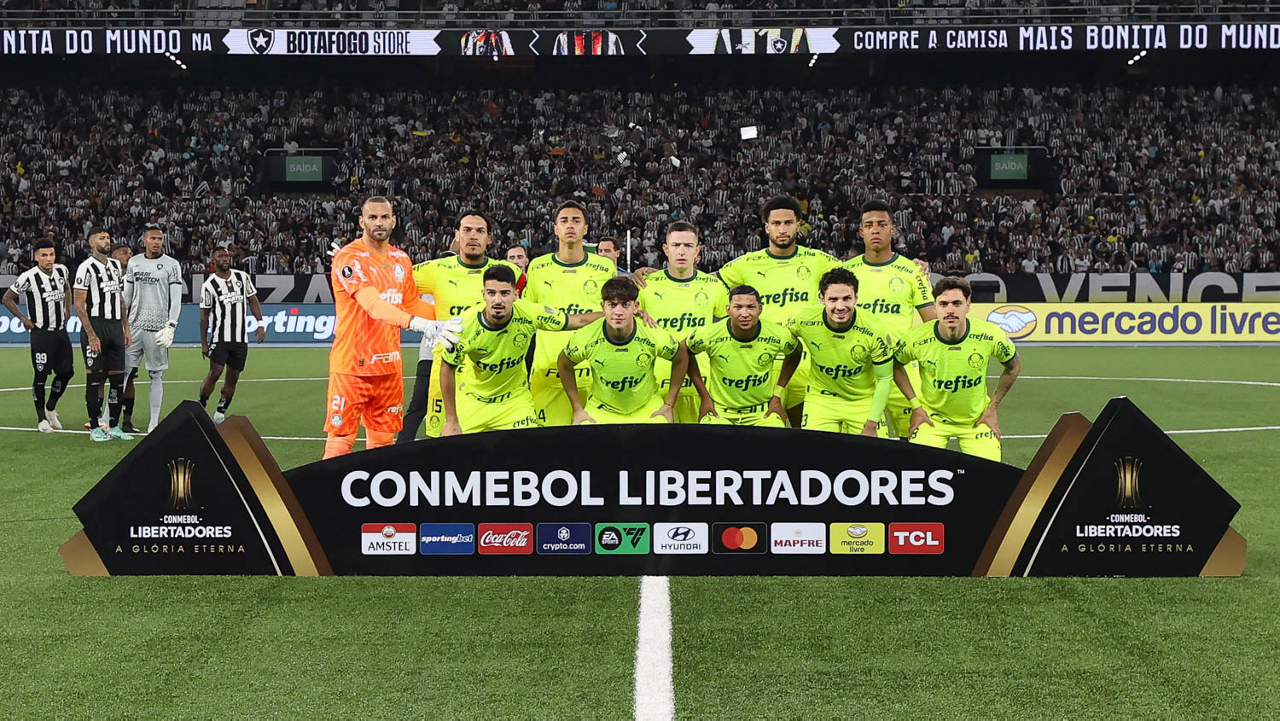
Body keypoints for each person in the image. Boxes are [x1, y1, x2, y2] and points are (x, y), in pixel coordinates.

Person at [323, 196, 460, 459]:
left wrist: (448, 319)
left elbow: (411, 303)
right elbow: (373, 305)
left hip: (389, 369)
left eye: (384, 217)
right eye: (372, 217)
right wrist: (421, 325)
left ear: (394, 221)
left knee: (383, 446)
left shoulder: (401, 259)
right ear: (361, 222)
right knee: (340, 444)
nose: (379, 222)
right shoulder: (349, 257)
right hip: (352, 367)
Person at [398, 212, 521, 443]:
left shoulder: (508, 271)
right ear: (457, 235)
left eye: (480, 231)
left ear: (489, 238)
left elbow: (527, 301)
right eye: (467, 230)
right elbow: (394, 282)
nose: (473, 236)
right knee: (443, 445)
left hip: (491, 378)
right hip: (447, 373)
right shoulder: (435, 269)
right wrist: (428, 317)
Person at [438, 265, 603, 436]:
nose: (497, 300)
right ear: (483, 294)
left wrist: (612, 315)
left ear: (515, 295)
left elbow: (578, 321)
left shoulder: (529, 313)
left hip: (514, 402)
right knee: (453, 449)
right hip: (474, 401)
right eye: (491, 293)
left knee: (527, 450)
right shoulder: (463, 327)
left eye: (505, 293)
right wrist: (451, 420)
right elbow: (447, 368)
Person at [894, 276, 1021, 461]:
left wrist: (992, 407)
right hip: (931, 420)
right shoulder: (915, 338)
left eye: (957, 303)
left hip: (976, 420)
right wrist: (916, 406)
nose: (950, 310)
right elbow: (895, 365)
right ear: (935, 307)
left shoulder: (990, 335)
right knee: (919, 472)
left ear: (968, 305)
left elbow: (1013, 366)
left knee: (990, 474)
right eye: (943, 304)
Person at [843, 199, 937, 439]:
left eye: (882, 224)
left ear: (893, 229)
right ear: (861, 232)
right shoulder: (846, 272)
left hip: (901, 369)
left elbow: (932, 324)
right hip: (859, 369)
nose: (875, 230)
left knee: (913, 439)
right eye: (869, 225)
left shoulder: (913, 271)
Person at [523, 200, 618, 426]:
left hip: (595, 376)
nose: (570, 225)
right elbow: (527, 317)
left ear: (585, 229)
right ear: (555, 229)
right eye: (564, 221)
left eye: (576, 221)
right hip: (546, 375)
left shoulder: (605, 268)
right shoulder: (537, 267)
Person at [778, 268, 896, 437]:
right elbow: (778, 338)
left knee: (872, 452)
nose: (840, 307)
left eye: (847, 298)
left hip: (862, 401)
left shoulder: (875, 329)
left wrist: (871, 423)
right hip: (821, 399)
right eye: (833, 299)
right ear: (821, 298)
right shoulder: (804, 319)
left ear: (856, 298)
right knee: (816, 452)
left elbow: (884, 379)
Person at [558, 277, 688, 425]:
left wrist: (669, 404)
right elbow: (564, 364)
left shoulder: (653, 334)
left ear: (636, 306)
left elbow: (681, 357)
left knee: (663, 437)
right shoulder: (585, 337)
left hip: (647, 408)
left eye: (625, 305)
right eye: (612, 305)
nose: (618, 312)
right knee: (583, 435)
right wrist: (577, 409)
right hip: (601, 409)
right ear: (603, 306)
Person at [637, 221, 727, 423]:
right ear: (665, 249)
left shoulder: (714, 287)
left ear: (697, 251)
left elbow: (727, 332)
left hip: (702, 385)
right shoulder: (645, 285)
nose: (681, 251)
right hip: (654, 384)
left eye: (688, 246)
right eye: (676, 245)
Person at [687, 285, 797, 427]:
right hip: (720, 412)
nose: (744, 314)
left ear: (760, 309)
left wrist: (777, 394)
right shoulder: (709, 334)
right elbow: (685, 351)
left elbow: (796, 352)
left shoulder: (779, 334)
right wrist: (704, 396)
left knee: (776, 437)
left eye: (751, 307)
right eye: (738, 307)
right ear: (728, 310)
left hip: (762, 413)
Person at [2, 239, 74, 433]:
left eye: (51, 254)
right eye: (44, 255)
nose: (49, 259)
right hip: (41, 333)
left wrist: (68, 308)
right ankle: (41, 418)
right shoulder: (29, 277)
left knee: (67, 372)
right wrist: (23, 319)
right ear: (36, 257)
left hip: (60, 331)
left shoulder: (62, 271)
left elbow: (67, 288)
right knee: (41, 375)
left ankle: (50, 407)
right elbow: (7, 298)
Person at [72, 227, 133, 442]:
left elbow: (120, 300)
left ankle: (114, 426)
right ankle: (95, 427)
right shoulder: (85, 268)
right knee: (95, 378)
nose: (107, 241)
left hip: (115, 327)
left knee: (117, 379)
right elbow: (79, 304)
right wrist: (91, 335)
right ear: (92, 243)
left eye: (108, 238)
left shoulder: (115, 266)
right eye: (102, 238)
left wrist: (126, 328)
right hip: (96, 326)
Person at [122, 227, 183, 433]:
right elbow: (126, 297)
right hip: (134, 325)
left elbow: (176, 299)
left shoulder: (172, 265)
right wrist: (123, 325)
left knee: (156, 374)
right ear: (144, 240)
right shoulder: (134, 262)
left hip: (158, 327)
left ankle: (153, 422)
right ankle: (108, 419)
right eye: (153, 238)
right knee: (124, 373)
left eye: (160, 239)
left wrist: (171, 325)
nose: (157, 242)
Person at [198, 246, 266, 424]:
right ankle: (201, 406)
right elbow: (204, 316)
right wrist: (204, 343)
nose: (225, 259)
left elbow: (253, 300)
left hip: (240, 339)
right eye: (220, 256)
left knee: (233, 377)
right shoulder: (209, 285)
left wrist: (260, 324)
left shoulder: (242, 277)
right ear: (213, 261)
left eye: (227, 256)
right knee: (215, 372)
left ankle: (220, 412)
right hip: (220, 338)